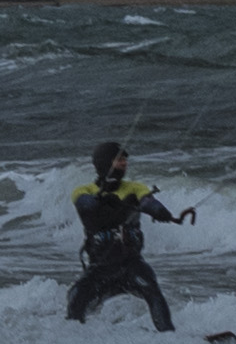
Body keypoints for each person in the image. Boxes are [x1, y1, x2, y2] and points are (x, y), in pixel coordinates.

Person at [68, 140, 192, 328]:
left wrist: (159, 211)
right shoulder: (83, 191)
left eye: (125, 160)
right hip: (99, 268)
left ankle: (169, 337)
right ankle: (73, 340)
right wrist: (107, 200)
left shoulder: (134, 188)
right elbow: (87, 204)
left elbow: (149, 202)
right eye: (120, 160)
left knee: (152, 290)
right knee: (76, 297)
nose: (125, 164)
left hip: (131, 265)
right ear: (104, 163)